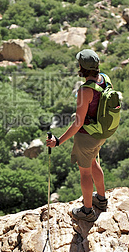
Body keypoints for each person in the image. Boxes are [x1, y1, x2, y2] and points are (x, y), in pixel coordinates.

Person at [46, 49, 109, 222]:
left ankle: (88, 211)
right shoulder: (104, 79)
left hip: (87, 136)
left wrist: (58, 141)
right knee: (94, 161)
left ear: (81, 66)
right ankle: (101, 200)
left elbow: (78, 122)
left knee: (85, 173)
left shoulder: (85, 91)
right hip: (101, 132)